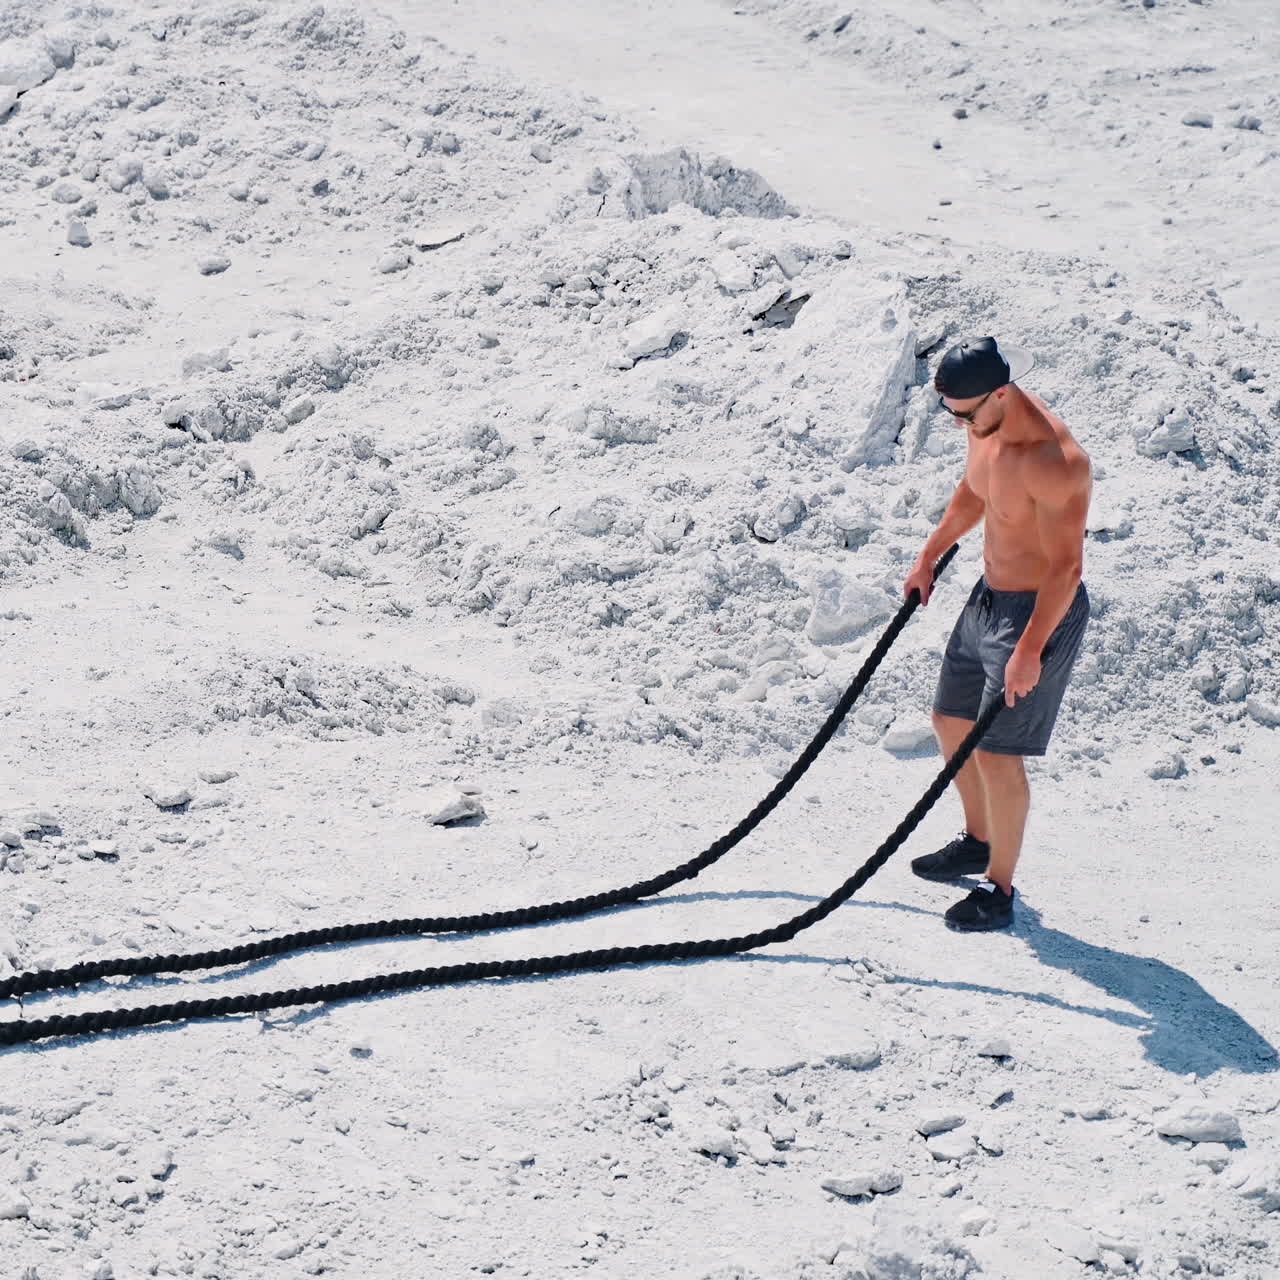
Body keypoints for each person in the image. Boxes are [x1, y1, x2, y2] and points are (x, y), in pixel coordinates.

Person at [902, 337, 1093, 932]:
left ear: (1003, 394)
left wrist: (1031, 649)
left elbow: (1066, 568)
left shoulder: (1053, 460)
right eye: (950, 412)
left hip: (1039, 612)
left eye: (965, 412)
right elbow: (975, 492)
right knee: (949, 720)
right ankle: (978, 840)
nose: (959, 423)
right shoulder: (982, 422)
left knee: (998, 754)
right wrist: (929, 555)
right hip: (986, 598)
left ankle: (999, 889)